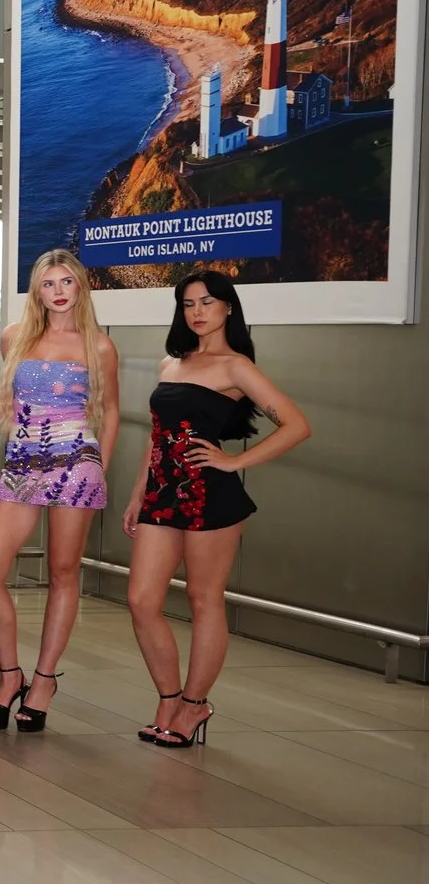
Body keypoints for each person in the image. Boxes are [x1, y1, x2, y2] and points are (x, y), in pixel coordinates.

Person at [123, 271, 310, 748]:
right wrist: (138, 492)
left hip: (210, 495)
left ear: (228, 307)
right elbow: (159, 435)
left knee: (204, 599)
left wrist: (235, 462)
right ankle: (169, 699)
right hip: (162, 494)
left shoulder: (236, 367)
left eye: (207, 302)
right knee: (142, 600)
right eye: (188, 304)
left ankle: (193, 705)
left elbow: (296, 425)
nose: (198, 312)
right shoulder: (172, 362)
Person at [0, 248, 120, 732]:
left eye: (66, 282)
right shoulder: (14, 336)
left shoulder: (99, 346)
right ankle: (9, 675)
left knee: (62, 571)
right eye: (49, 283)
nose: (58, 291)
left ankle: (44, 680)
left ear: (80, 287)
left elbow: (111, 411)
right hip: (22, 463)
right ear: (37, 290)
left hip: (77, 463)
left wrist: (99, 468)